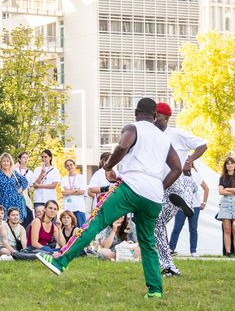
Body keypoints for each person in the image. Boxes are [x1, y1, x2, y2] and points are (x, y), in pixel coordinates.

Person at [37, 98, 182, 299]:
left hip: (131, 186)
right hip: (154, 196)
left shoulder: (133, 127)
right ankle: (155, 290)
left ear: (135, 112)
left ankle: (60, 260)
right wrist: (159, 186)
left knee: (96, 221)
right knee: (148, 242)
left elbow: (122, 146)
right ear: (155, 115)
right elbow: (177, 168)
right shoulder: (164, 139)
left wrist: (108, 166)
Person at [151, 103, 208, 273]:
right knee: (157, 223)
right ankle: (168, 265)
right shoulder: (152, 137)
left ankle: (188, 203)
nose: (154, 120)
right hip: (161, 186)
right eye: (153, 116)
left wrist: (189, 161)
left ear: (166, 118)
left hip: (179, 180)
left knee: (179, 183)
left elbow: (202, 145)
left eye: (157, 116)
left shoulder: (176, 134)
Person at [0, 153, 29, 223]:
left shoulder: (14, 173)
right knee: (1, 225)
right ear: (0, 162)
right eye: (4, 161)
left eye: (7, 161)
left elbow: (25, 181)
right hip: (2, 203)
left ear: (10, 162)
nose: (6, 163)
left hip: (15, 203)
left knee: (14, 224)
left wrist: (20, 189)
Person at [170, 176, 209, 257]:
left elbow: (206, 188)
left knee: (193, 229)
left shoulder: (196, 174)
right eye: (186, 162)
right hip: (181, 206)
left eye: (189, 162)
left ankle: (193, 251)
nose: (187, 162)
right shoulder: (178, 173)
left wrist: (204, 202)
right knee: (177, 227)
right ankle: (171, 249)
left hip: (195, 206)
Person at [217, 157, 235, 257]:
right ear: (225, 166)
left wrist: (228, 189)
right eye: (228, 163)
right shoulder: (222, 178)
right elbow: (220, 191)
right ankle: (228, 252)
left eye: (232, 163)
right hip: (225, 205)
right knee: (227, 229)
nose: (230, 165)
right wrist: (234, 189)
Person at [30, 150, 61, 216]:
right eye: (42, 157)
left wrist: (40, 186)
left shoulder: (55, 170)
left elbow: (53, 185)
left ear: (50, 158)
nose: (44, 159)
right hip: (38, 199)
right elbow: (35, 185)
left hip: (50, 198)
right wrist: (41, 173)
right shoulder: (37, 169)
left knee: (51, 218)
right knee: (39, 220)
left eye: (46, 157)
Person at [59, 158, 88, 227]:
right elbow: (63, 193)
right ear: (66, 167)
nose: (69, 167)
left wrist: (68, 191)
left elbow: (82, 191)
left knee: (81, 230)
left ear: (74, 165)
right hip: (68, 208)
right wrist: (75, 190)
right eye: (67, 165)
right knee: (69, 229)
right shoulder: (64, 178)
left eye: (71, 165)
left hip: (79, 208)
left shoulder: (81, 177)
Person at [14, 152, 35, 226]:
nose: (26, 159)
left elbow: (33, 185)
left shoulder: (30, 172)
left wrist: (30, 189)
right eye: (23, 157)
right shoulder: (15, 170)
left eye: (27, 157)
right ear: (19, 159)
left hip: (26, 194)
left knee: (28, 214)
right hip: (16, 194)